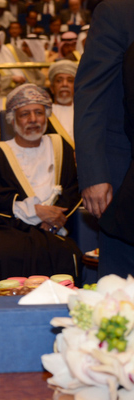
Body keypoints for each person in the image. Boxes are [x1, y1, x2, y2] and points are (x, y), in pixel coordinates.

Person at [0, 84, 82, 284]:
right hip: (7, 228)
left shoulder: (59, 146)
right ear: (13, 120)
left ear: (47, 116)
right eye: (25, 114)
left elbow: (73, 189)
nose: (33, 120)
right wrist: (35, 212)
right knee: (5, 253)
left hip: (52, 229)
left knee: (65, 251)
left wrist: (53, 219)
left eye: (39, 113)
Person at [74, 0, 134, 278]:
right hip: (125, 180)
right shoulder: (118, 11)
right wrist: (94, 173)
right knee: (121, 290)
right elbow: (91, 95)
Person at [0, 28, 45, 96]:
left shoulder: (12, 49)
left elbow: (32, 68)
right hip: (7, 93)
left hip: (30, 87)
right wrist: (11, 79)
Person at [46, 60, 77, 147]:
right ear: (52, 88)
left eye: (70, 80)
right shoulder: (45, 114)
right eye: (59, 81)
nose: (64, 84)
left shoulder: (84, 111)